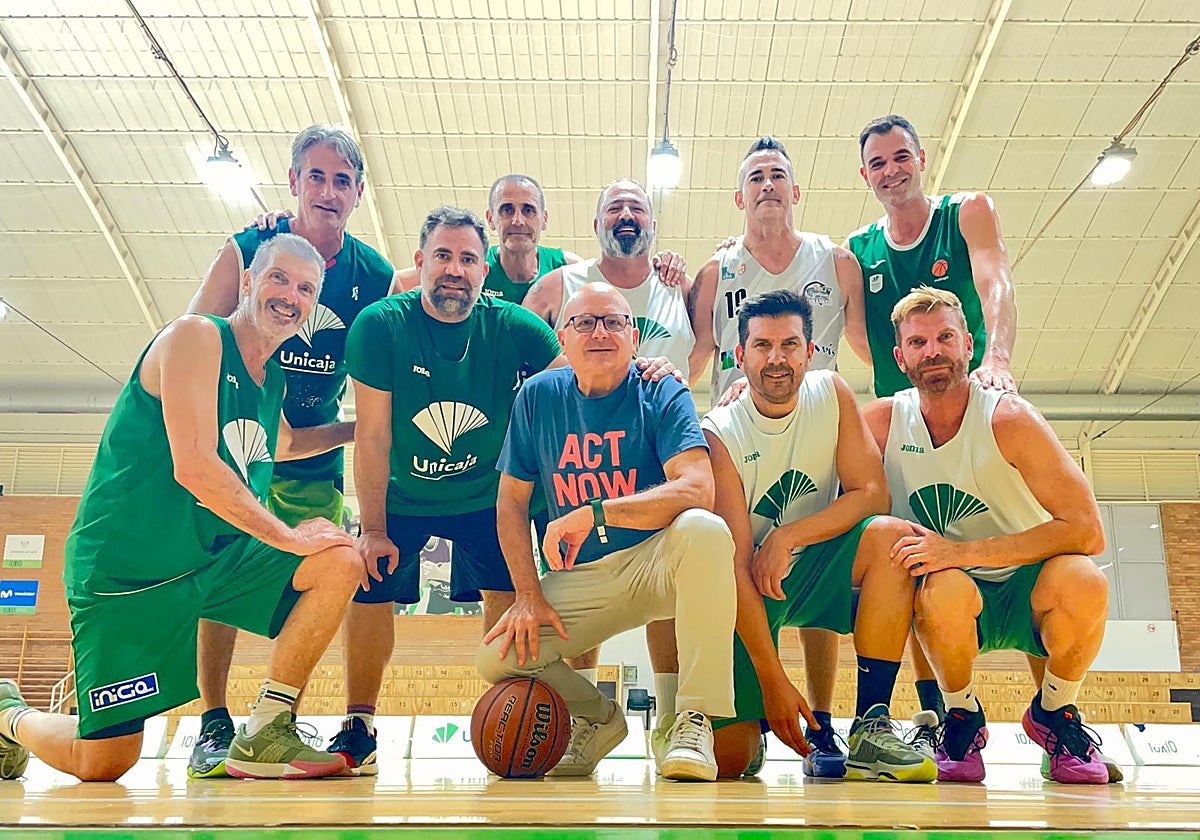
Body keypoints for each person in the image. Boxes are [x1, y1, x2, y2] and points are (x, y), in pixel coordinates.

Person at [0, 235, 364, 783]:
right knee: (105, 762)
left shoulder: (272, 377)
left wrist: (364, 429)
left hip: (213, 561)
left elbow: (283, 443)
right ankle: (10, 714)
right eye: (279, 278)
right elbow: (194, 467)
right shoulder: (196, 337)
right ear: (247, 282)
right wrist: (290, 537)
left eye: (306, 288)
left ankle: (267, 726)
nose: (292, 296)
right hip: (128, 570)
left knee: (340, 558)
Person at [334, 206, 677, 776]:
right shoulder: (380, 325)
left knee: (514, 615)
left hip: (491, 496)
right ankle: (360, 724)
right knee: (369, 588)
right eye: (443, 256)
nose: (455, 269)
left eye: (469, 258)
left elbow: (587, 367)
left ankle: (573, 710)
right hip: (402, 493)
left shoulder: (513, 325)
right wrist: (370, 528)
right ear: (419, 262)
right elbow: (370, 436)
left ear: (484, 269)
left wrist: (644, 367)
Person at [184, 125, 393, 778]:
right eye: (316, 177)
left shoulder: (373, 275)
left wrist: (370, 437)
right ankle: (213, 719)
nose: (328, 192)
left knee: (324, 570)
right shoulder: (247, 246)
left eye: (342, 181)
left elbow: (376, 379)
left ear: (358, 192)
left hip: (312, 451)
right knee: (219, 577)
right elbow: (193, 334)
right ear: (294, 181)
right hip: (238, 445)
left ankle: (276, 720)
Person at [478, 281, 736, 782]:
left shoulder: (662, 389)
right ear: (563, 337)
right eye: (584, 322)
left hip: (656, 561)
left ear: (634, 336)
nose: (600, 332)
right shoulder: (537, 397)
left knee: (706, 530)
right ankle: (598, 718)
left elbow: (698, 489)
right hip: (586, 576)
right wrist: (528, 595)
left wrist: (597, 513)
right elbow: (510, 503)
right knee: (497, 658)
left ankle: (693, 718)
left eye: (613, 321)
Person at [863, 286, 1109, 784]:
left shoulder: (1009, 419)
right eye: (917, 342)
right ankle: (961, 717)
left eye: (945, 337)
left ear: (969, 345)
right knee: (941, 582)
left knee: (1087, 581)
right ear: (899, 357)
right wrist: (743, 387)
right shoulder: (884, 422)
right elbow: (811, 431)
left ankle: (1055, 714)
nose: (932, 351)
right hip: (948, 594)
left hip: (1030, 587)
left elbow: (1088, 529)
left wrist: (963, 550)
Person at [687, 136, 867, 777]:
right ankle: (722, 708)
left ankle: (825, 719)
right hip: (737, 439)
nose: (767, 184)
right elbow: (698, 352)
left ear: (796, 192)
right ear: (740, 197)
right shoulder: (717, 271)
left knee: (834, 557)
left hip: (810, 426)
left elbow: (866, 346)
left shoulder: (835, 260)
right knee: (726, 558)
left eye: (778, 175)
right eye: (756, 176)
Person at [702, 289, 934, 782]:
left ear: (810, 351)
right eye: (762, 346)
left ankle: (871, 725)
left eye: (790, 344)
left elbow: (872, 494)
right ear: (739, 356)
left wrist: (788, 536)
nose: (777, 358)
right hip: (750, 585)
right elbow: (735, 566)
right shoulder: (720, 432)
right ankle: (755, 725)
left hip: (816, 563)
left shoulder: (831, 393)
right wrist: (774, 681)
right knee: (730, 762)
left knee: (892, 538)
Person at [846, 113, 1019, 747]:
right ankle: (933, 711)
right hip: (906, 417)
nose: (892, 170)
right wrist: (912, 383)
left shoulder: (968, 210)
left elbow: (995, 279)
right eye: (879, 163)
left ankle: (1057, 710)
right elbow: (861, 336)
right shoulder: (858, 247)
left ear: (922, 157)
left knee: (1040, 538)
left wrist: (994, 360)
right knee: (912, 554)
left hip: (975, 401)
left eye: (901, 157)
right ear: (865, 175)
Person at [523, 178, 697, 738]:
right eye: (613, 207)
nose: (626, 215)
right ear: (595, 223)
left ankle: (670, 716)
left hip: (656, 443)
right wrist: (583, 375)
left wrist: (670, 376)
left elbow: (707, 350)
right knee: (580, 579)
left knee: (668, 592)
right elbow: (525, 361)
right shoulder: (562, 284)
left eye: (637, 207)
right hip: (577, 448)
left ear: (653, 224)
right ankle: (586, 720)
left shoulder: (679, 285)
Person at [392, 173, 687, 299]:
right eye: (507, 210)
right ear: (491, 219)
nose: (518, 220)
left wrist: (661, 262)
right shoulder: (469, 267)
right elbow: (396, 282)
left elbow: (619, 281)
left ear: (544, 220)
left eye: (528, 210)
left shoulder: (566, 268)